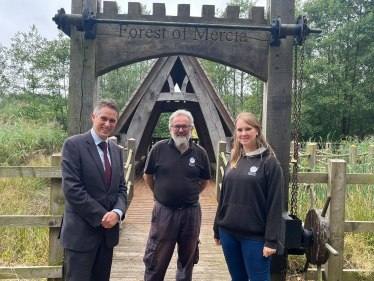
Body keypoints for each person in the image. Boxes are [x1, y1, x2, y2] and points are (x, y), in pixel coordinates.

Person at [59, 99, 127, 281]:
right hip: (81, 234)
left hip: (107, 236)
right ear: (93, 117)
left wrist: (118, 212)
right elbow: (72, 189)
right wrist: (104, 216)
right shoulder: (74, 145)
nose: (107, 124)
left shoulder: (116, 150)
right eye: (103, 118)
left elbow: (121, 187)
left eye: (112, 121)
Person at [213, 112, 283, 281]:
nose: (243, 133)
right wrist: (217, 228)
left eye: (248, 129)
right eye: (239, 129)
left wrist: (271, 241)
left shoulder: (269, 163)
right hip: (228, 233)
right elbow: (223, 197)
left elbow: (275, 204)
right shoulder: (234, 159)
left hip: (255, 237)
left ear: (257, 131)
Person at [143, 109, 211, 281]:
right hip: (164, 212)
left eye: (185, 127)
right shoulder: (158, 149)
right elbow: (147, 176)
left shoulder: (200, 153)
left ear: (192, 129)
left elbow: (204, 181)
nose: (181, 130)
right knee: (156, 258)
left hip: (191, 213)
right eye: (177, 127)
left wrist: (190, 195)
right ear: (170, 129)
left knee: (188, 260)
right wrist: (160, 195)